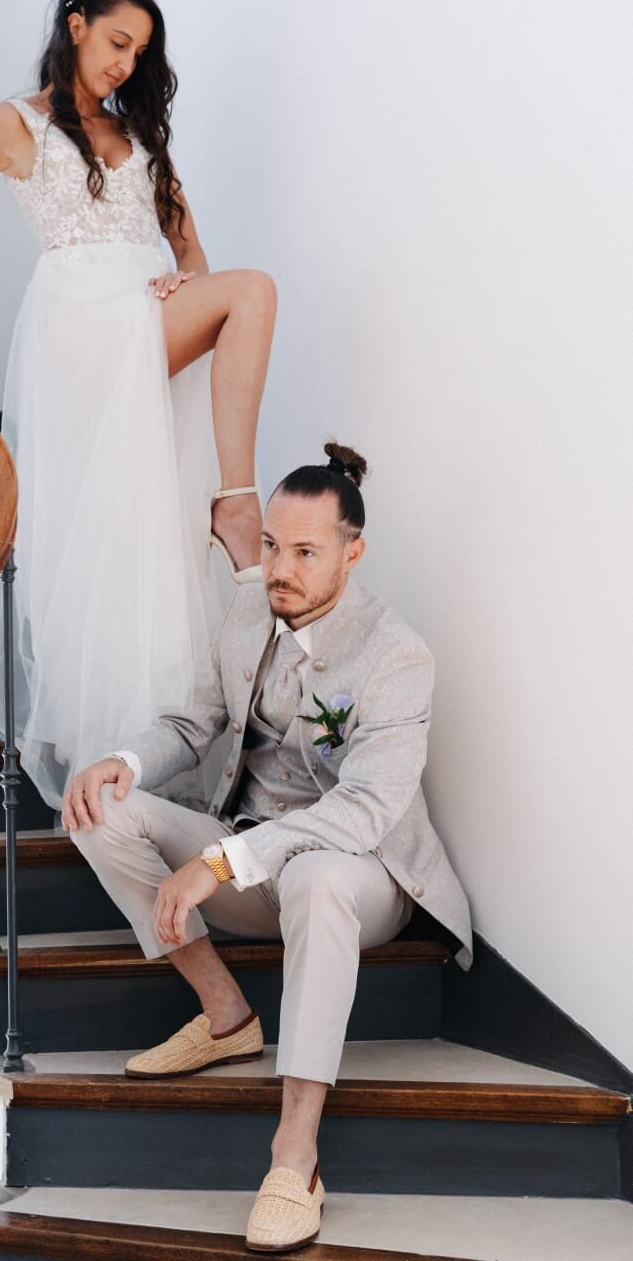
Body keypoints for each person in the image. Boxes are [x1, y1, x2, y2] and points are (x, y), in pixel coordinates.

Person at [63, 441, 473, 1255]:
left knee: (316, 875)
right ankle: (226, 1013)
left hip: (361, 876)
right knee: (100, 809)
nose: (280, 569)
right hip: (254, 855)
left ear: (353, 553)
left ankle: (295, 1154)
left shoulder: (397, 654)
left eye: (305, 552)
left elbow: (362, 810)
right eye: (273, 545)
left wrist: (219, 863)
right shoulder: (251, 611)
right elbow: (194, 723)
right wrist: (126, 762)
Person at [0, 0, 277, 807]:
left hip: (142, 308)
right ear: (76, 25)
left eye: (139, 52)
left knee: (144, 528)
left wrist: (185, 281)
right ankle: (237, 505)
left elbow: (191, 250)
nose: (125, 63)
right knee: (255, 293)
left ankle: (138, 762)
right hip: (80, 320)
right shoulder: (17, 124)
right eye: (116, 41)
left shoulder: (139, 131)